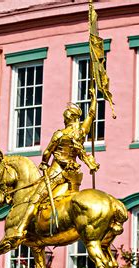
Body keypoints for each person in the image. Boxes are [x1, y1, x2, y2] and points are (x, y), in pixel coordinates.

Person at [14, 88, 100, 239]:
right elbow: (92, 115)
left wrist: (43, 163)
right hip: (73, 175)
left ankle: (20, 228)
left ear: (69, 118)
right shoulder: (80, 132)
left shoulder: (60, 134)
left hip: (57, 172)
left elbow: (47, 152)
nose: (64, 119)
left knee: (35, 198)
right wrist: (94, 99)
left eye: (65, 117)